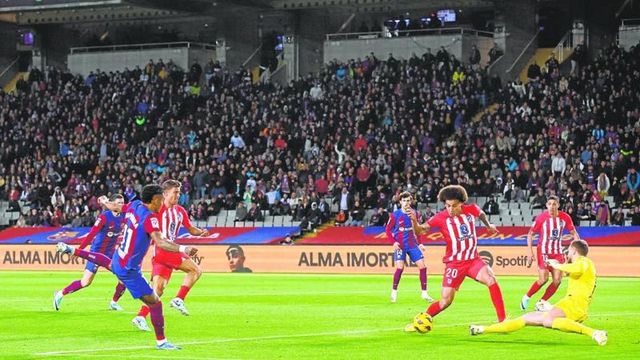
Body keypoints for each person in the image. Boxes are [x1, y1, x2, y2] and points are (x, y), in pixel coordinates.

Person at [55, 184, 198, 350]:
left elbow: (118, 206)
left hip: (119, 258)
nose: (162, 203)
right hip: (130, 271)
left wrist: (105, 202)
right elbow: (160, 241)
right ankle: (162, 342)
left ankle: (73, 250)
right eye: (160, 200)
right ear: (155, 199)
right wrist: (183, 248)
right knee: (156, 303)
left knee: (105, 262)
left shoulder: (135, 205)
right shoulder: (150, 218)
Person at [405, 185, 505, 332]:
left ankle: (502, 321)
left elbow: (481, 213)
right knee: (445, 301)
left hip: (473, 260)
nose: (450, 209)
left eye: (454, 205)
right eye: (447, 205)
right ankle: (421, 320)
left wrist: (488, 225)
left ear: (461, 203)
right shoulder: (440, 217)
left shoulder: (471, 209)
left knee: (491, 280)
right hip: (454, 264)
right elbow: (420, 230)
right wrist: (414, 221)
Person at [470, 240, 608, 346]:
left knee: (548, 320)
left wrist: (556, 265)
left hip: (574, 304)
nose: (567, 254)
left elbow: (577, 268)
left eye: (569, 252)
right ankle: (483, 329)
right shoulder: (584, 264)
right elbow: (572, 271)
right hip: (573, 305)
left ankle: (594, 332)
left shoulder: (584, 262)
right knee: (526, 318)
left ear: (573, 251)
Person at [133, 180, 209, 331]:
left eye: (179, 193)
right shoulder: (156, 210)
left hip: (163, 253)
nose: (178, 195)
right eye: (175, 192)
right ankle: (179, 299)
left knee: (158, 290)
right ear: (165, 194)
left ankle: (140, 317)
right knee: (196, 270)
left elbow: (190, 228)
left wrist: (200, 232)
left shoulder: (180, 211)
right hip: (165, 250)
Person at [53, 194, 126, 311]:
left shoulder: (124, 216)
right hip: (96, 253)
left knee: (124, 276)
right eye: (119, 203)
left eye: (123, 202)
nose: (122, 205)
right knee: (86, 282)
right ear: (112, 204)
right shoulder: (104, 217)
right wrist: (79, 251)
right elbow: (91, 234)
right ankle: (60, 294)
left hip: (110, 253)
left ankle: (113, 302)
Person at [520, 195, 581, 311]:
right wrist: (529, 253)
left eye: (554, 204)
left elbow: (574, 233)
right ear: (546, 205)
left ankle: (541, 302)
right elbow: (530, 234)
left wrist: (578, 249)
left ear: (558, 205)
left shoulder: (565, 217)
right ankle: (527, 297)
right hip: (543, 251)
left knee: (557, 280)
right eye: (549, 204)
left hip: (557, 252)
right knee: (543, 279)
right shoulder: (541, 218)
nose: (552, 206)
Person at [386, 191, 433, 303]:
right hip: (401, 246)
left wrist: (420, 243)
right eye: (404, 201)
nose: (406, 203)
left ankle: (424, 294)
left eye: (408, 201)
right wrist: (393, 242)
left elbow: (418, 230)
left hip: (412, 245)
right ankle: (394, 292)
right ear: (400, 202)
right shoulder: (395, 215)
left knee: (423, 267)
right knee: (400, 268)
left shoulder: (415, 214)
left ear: (411, 201)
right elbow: (388, 230)